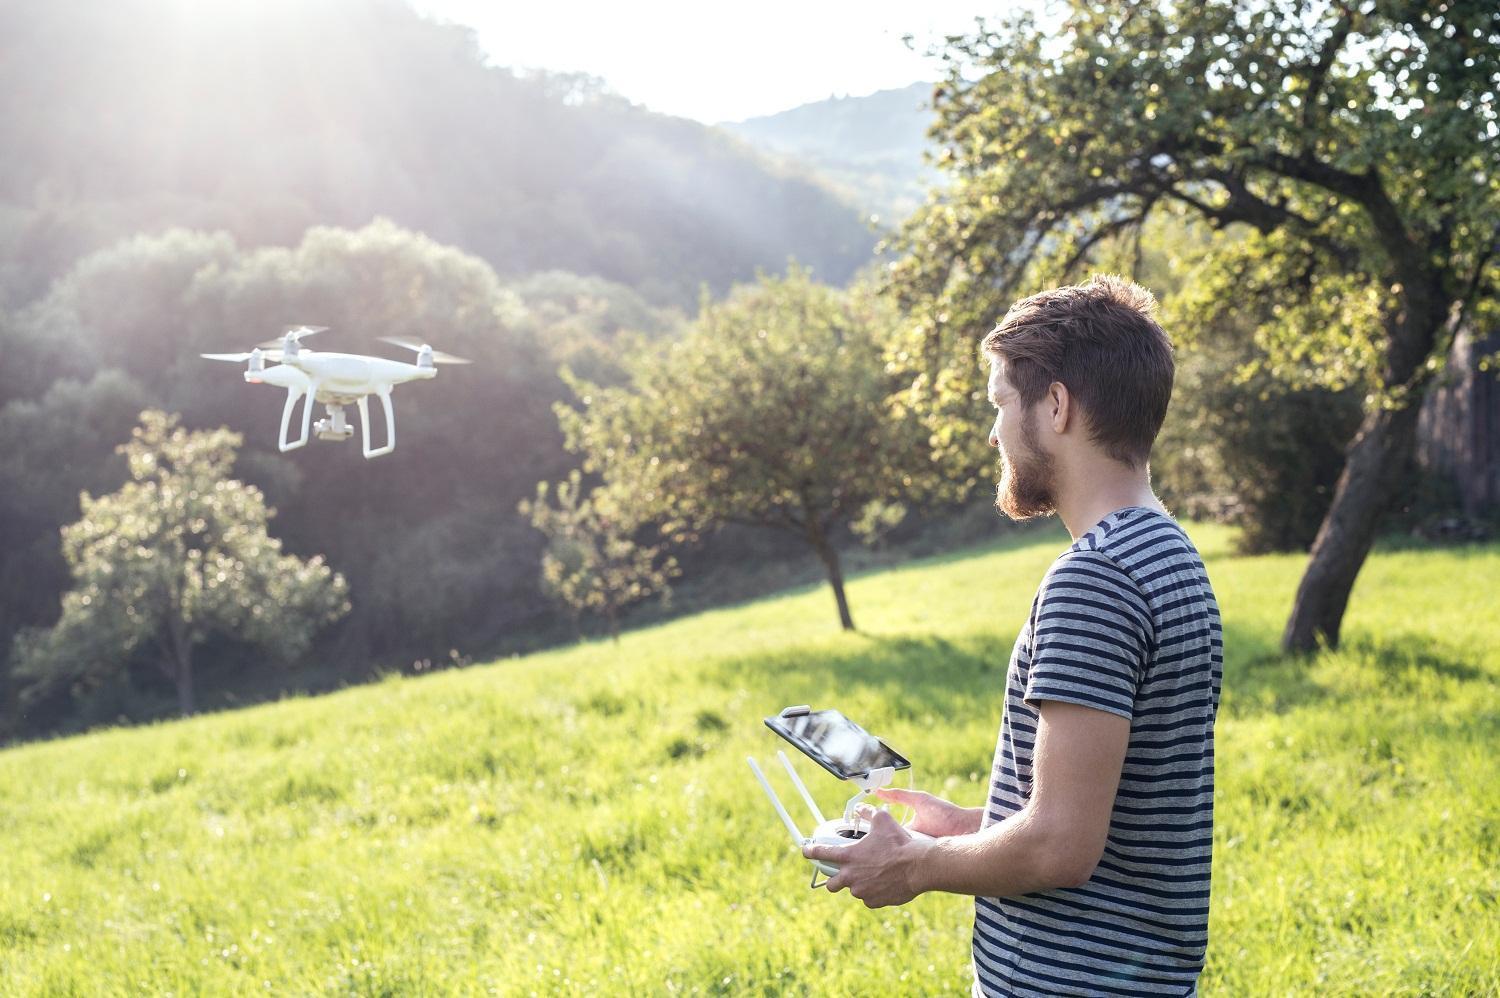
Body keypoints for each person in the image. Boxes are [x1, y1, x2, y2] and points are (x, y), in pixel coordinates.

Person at [803, 274, 1222, 996]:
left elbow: (1062, 847)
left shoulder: (1094, 580)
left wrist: (911, 865)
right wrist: (962, 826)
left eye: (1001, 404)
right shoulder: (1169, 555)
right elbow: (1105, 816)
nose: (994, 432)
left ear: (1056, 405)